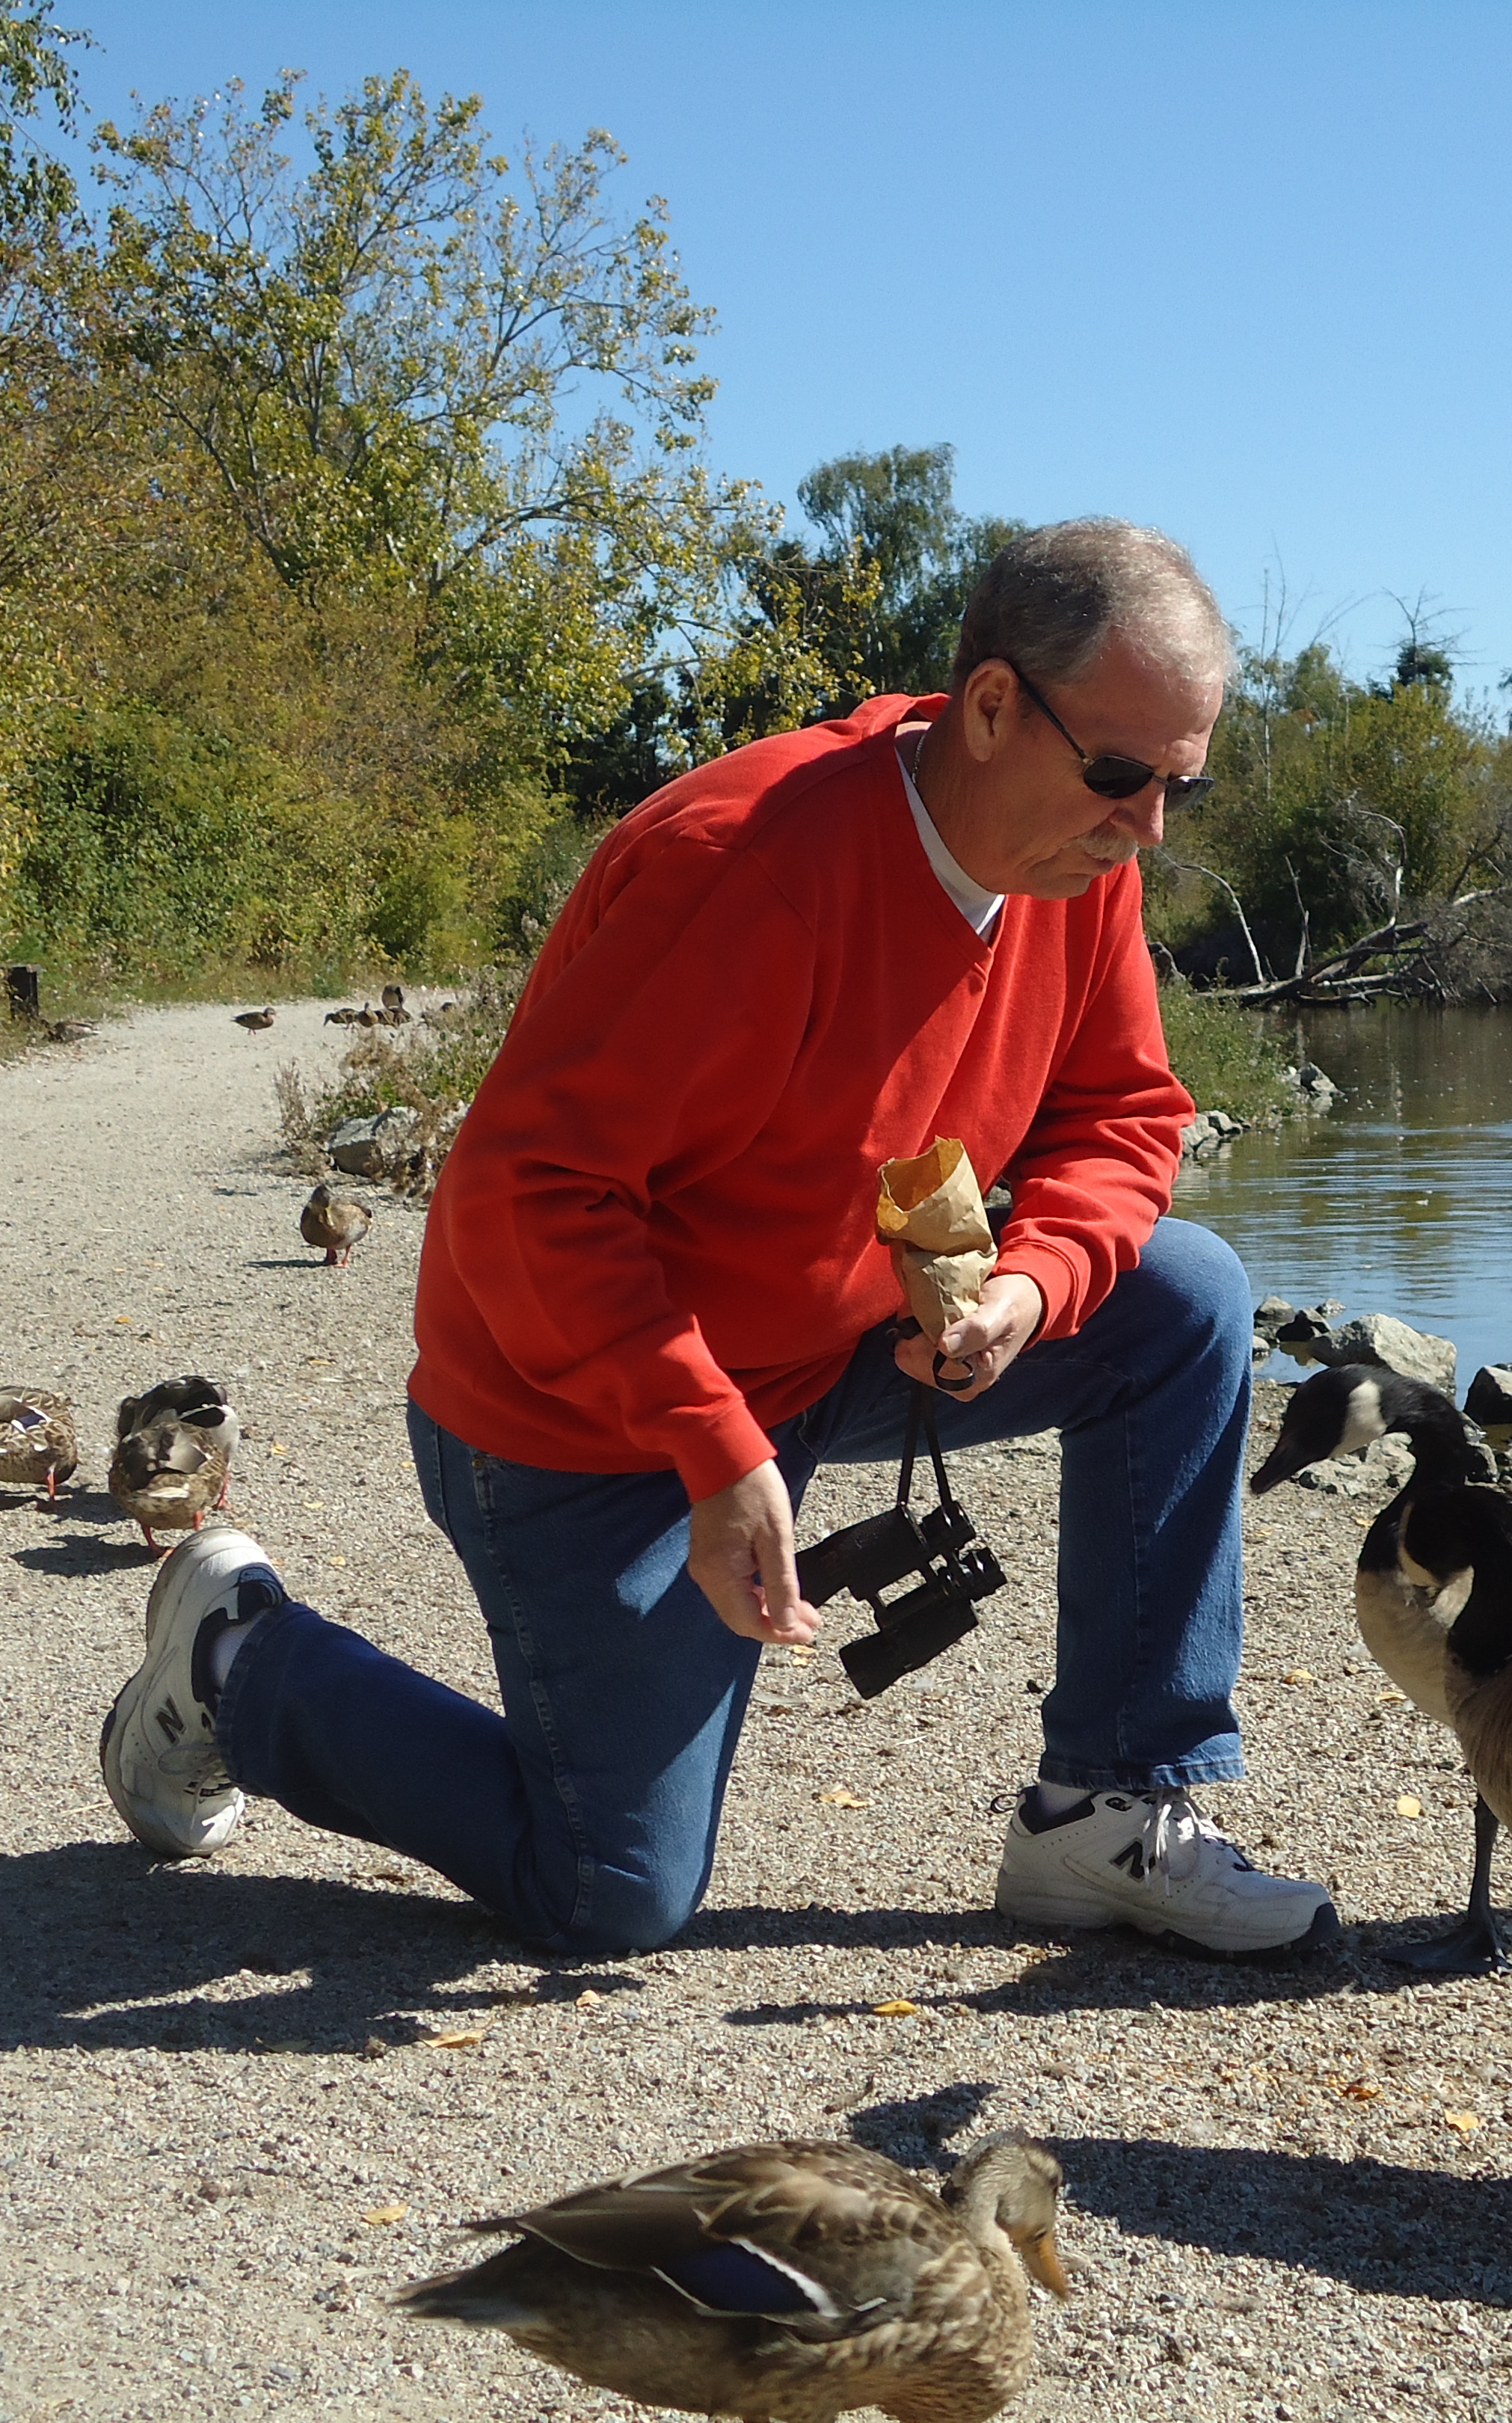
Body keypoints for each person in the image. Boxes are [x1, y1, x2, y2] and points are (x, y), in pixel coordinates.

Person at [99, 518, 1338, 1960]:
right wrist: (712, 1440)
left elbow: (1125, 1115)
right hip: (574, 1412)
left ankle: (1108, 1811)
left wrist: (1031, 1283)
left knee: (1182, 1298)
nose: (1149, 830)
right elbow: (532, 1199)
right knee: (610, 1896)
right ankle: (237, 1658)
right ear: (993, 705)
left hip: (818, 1360)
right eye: (1124, 776)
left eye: (1179, 785)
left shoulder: (1080, 862)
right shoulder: (740, 866)